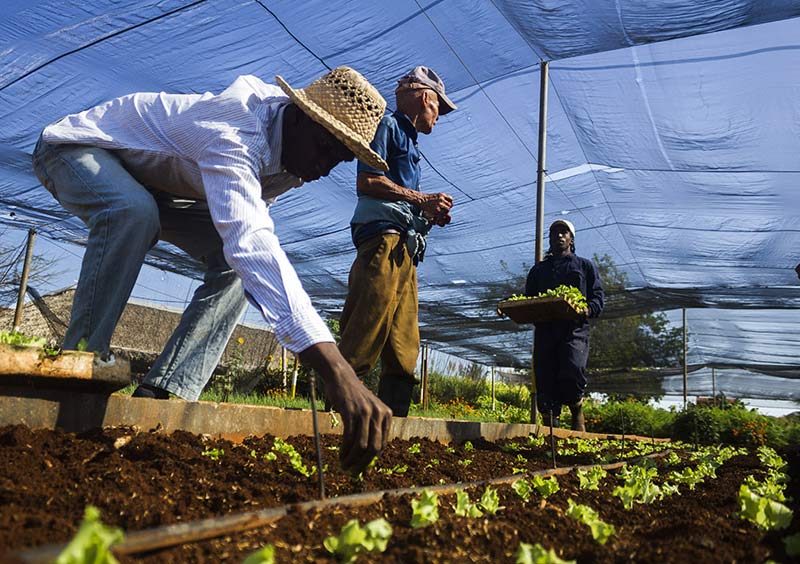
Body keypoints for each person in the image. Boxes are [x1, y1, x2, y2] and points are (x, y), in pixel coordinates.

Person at [31, 67, 393, 474]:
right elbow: (251, 240)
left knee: (236, 267)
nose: (326, 167)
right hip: (77, 150)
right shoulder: (235, 131)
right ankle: (78, 371)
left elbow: (249, 250)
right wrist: (337, 370)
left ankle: (164, 396)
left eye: (340, 159)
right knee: (133, 213)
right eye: (326, 148)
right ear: (297, 116)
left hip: (158, 187)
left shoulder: (294, 159)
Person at [337, 66, 457, 417]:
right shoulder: (387, 126)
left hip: (405, 245)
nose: (438, 118)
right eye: (439, 109)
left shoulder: (410, 142)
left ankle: (395, 421)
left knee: (404, 338)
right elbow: (368, 183)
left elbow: (403, 198)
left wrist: (428, 215)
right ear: (424, 98)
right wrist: (421, 199)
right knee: (367, 322)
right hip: (383, 241)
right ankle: (336, 414)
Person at [525, 219, 604, 431]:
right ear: (549, 239)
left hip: (573, 330)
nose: (559, 236)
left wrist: (587, 309)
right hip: (546, 331)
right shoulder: (538, 270)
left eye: (564, 232)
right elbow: (528, 299)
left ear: (571, 239)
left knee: (572, 368)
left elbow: (597, 297)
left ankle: (577, 408)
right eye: (554, 233)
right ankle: (551, 429)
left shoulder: (584, 266)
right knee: (545, 375)